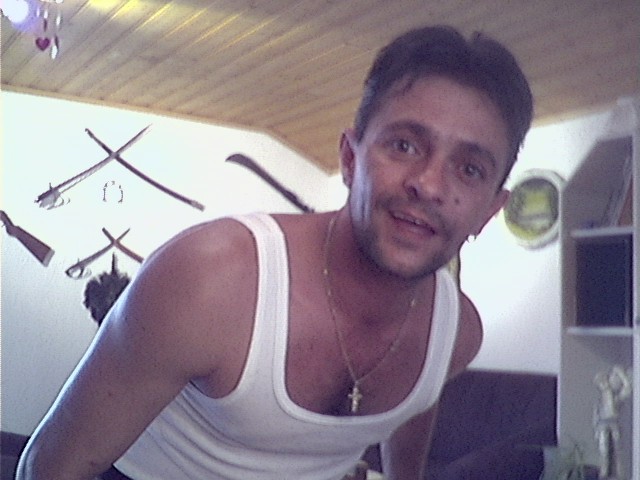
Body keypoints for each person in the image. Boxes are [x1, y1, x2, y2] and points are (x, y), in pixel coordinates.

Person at [17, 24, 533, 480]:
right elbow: (47, 466)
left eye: (470, 169)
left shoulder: (456, 336)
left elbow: (416, 406)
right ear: (350, 159)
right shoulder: (211, 279)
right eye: (404, 145)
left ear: (490, 210)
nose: (429, 184)